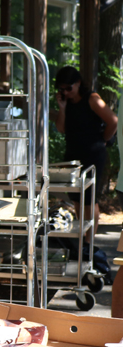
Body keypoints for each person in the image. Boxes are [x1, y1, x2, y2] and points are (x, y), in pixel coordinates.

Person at [54, 65, 118, 246]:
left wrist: (104, 139)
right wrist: (62, 108)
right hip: (73, 154)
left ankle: (89, 242)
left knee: (90, 199)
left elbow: (113, 121)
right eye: (62, 89)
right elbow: (61, 128)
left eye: (69, 88)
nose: (66, 92)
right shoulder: (67, 103)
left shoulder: (92, 99)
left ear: (78, 83)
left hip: (93, 154)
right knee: (76, 198)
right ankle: (83, 237)